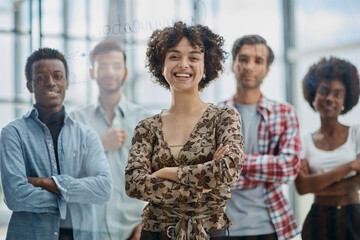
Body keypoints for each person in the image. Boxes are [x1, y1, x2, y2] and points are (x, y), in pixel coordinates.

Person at [125, 21, 244, 240]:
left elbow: (229, 169)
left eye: (193, 57)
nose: (183, 64)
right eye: (174, 56)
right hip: (156, 234)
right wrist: (203, 187)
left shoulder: (224, 118)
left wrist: (166, 173)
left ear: (206, 67)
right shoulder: (146, 127)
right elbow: (134, 183)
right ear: (161, 66)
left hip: (210, 233)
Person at [0, 47, 112, 240]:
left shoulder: (87, 136)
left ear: (66, 82)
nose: (50, 83)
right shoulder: (13, 134)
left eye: (57, 76)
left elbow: (103, 189)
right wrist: (76, 193)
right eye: (41, 77)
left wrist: (43, 183)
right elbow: (16, 196)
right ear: (30, 85)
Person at [213, 35, 301, 240]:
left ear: (267, 69)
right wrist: (266, 169)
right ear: (233, 65)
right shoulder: (214, 115)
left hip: (270, 226)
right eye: (243, 59)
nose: (249, 66)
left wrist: (232, 163)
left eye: (258, 61)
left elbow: (288, 168)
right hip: (221, 226)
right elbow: (210, 171)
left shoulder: (284, 113)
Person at [70, 40, 151, 240]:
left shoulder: (145, 120)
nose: (109, 72)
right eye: (103, 66)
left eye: (116, 66)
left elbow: (156, 178)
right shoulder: (75, 120)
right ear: (92, 72)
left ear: (125, 72)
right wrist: (99, 145)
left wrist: (145, 226)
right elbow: (66, 175)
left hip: (133, 231)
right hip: (88, 231)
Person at [295, 57, 360, 240]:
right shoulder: (304, 141)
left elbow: (310, 184)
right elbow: (302, 186)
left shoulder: (357, 133)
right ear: (313, 98)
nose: (330, 99)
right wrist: (350, 167)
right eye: (324, 91)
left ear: (345, 101)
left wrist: (319, 184)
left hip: (353, 218)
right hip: (318, 220)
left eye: (338, 94)